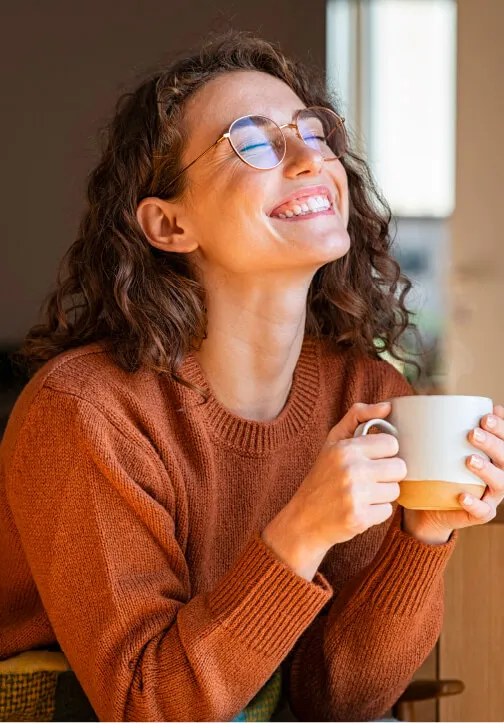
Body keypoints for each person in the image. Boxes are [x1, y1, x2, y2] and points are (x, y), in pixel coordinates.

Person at [1, 30, 503, 723]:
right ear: (169, 224)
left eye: (314, 132)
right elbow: (145, 704)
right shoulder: (86, 411)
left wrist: (423, 537)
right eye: (255, 142)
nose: (309, 159)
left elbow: (339, 702)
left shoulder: (370, 397)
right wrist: (300, 530)